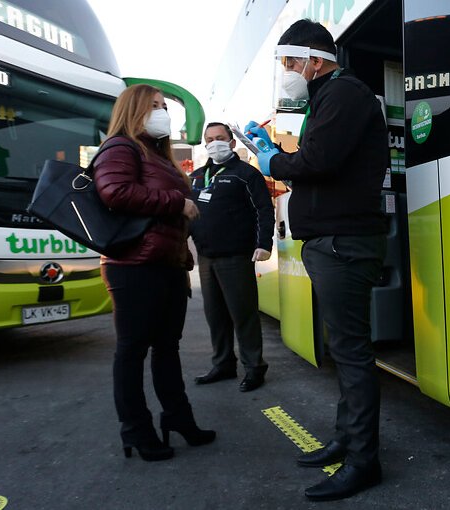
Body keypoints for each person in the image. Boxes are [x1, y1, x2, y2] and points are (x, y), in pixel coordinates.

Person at [246, 19, 388, 501]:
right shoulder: (332, 96)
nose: (288, 71)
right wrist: (279, 157)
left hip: (344, 242)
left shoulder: (343, 93)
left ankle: (364, 461)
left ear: (313, 57)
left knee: (350, 353)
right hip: (335, 242)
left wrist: (272, 161)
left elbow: (318, 161)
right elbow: (319, 163)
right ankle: (347, 439)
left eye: (289, 62)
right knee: (344, 348)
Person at [94, 84, 215, 462]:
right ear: (134, 111)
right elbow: (114, 191)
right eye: (154, 106)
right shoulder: (120, 147)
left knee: (167, 348)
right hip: (134, 266)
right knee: (132, 351)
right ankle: (137, 429)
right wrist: (176, 201)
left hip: (169, 263)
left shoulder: (159, 156)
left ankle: (178, 418)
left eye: (165, 106)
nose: (163, 113)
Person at [189, 122, 274, 392]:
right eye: (210, 139)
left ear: (231, 142)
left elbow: (264, 210)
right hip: (206, 256)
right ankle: (223, 363)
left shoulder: (246, 174)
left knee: (243, 315)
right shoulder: (197, 176)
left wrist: (263, 243)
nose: (215, 143)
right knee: (215, 316)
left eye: (220, 138)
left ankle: (254, 367)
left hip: (236, 256)